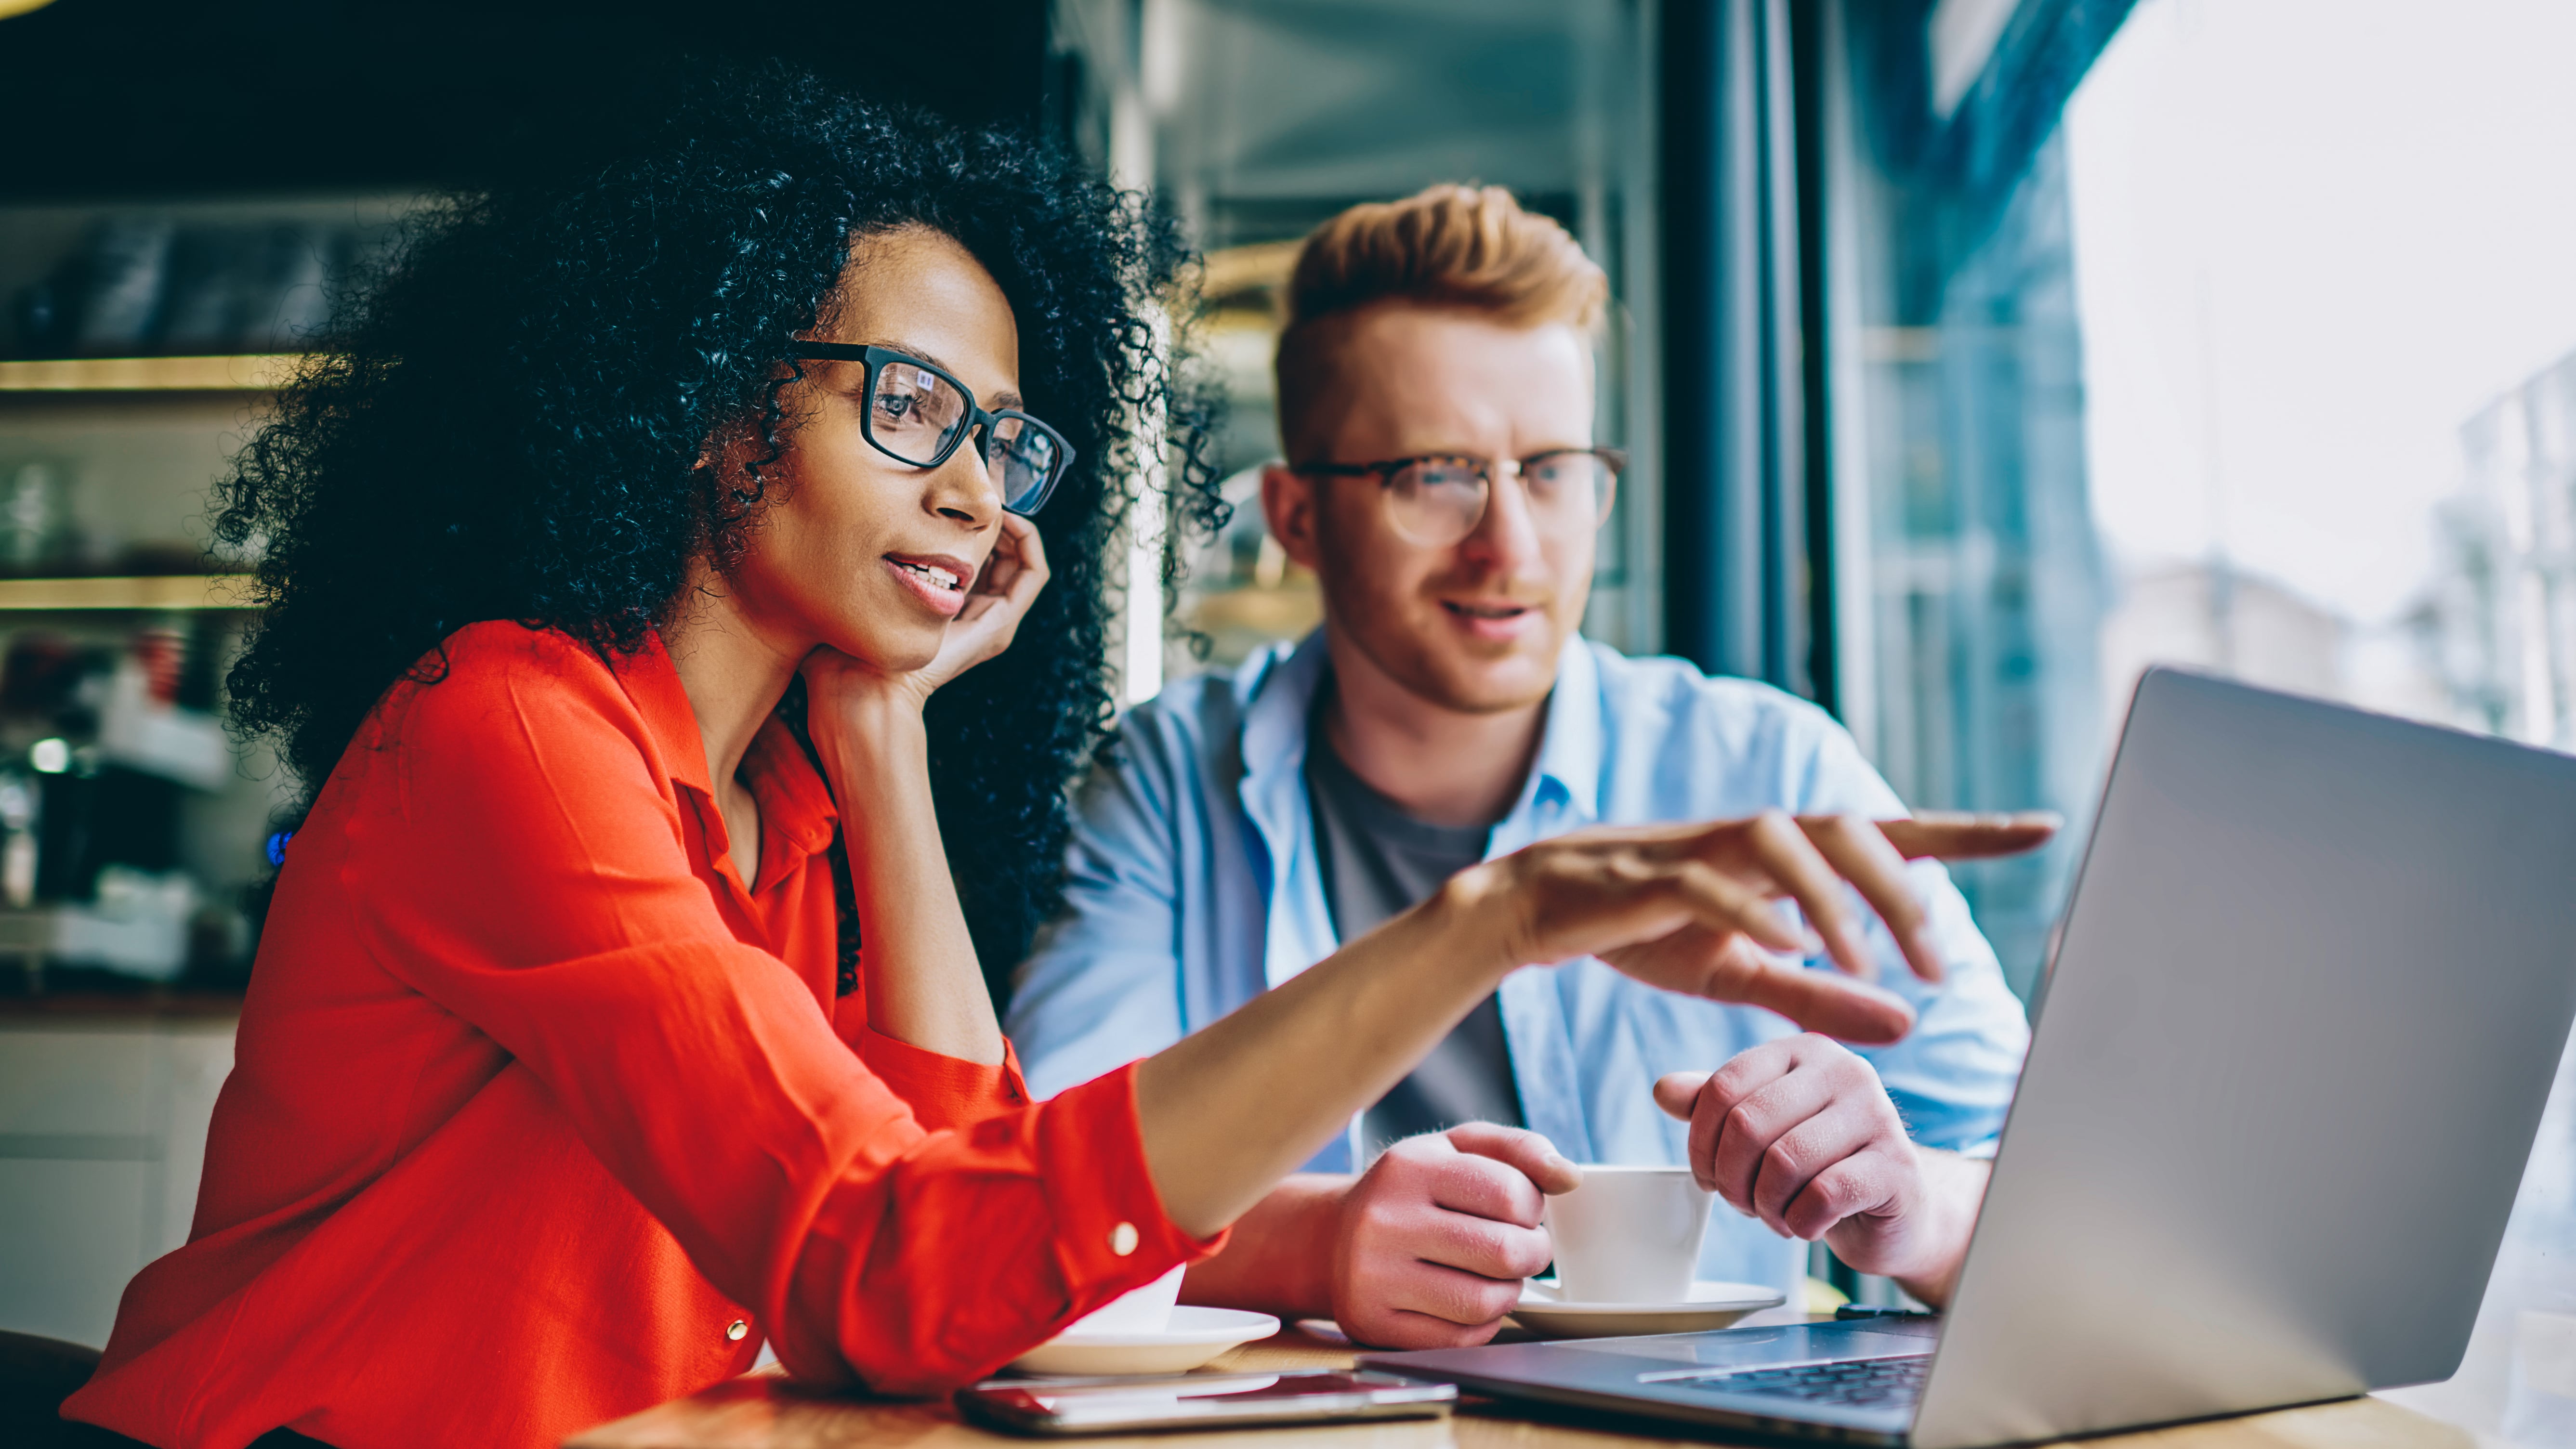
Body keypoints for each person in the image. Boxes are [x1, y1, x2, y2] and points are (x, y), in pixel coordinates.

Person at [59, 80, 2047, 1449]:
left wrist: (889, 725)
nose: (967, 487)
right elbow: (898, 1257)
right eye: (908, 403)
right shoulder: (511, 727)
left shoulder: (796, 799)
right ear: (700, 405)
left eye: (1002, 439)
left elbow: (952, 1223)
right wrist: (1490, 922)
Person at [1006, 184, 2047, 1348]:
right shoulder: (1168, 778)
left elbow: (2055, 1190)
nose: (1511, 544)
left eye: (1551, 469)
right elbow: (1035, 1192)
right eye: (1435, 475)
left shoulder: (1768, 766)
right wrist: (1317, 1241)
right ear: (1297, 518)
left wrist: (1911, 1206)